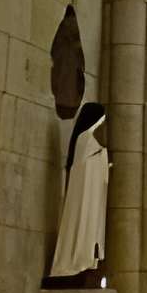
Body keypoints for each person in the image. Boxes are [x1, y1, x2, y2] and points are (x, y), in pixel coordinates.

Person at [49, 101, 110, 282]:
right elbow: (91, 163)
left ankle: (86, 262)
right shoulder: (86, 139)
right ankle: (76, 263)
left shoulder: (87, 142)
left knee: (87, 226)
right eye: (101, 120)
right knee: (81, 224)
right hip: (85, 193)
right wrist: (104, 157)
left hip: (90, 193)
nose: (101, 124)